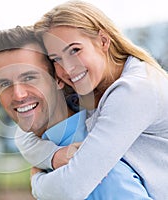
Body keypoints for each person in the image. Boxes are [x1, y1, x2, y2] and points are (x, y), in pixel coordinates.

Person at [15, 1, 168, 199]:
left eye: (75, 50)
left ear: (103, 40)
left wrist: (37, 183)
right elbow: (23, 134)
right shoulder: (86, 85)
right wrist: (54, 157)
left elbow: (72, 187)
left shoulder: (135, 90)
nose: (68, 68)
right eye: (56, 59)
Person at [0, 26, 152, 199]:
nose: (18, 95)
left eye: (29, 78)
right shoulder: (45, 151)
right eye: (5, 84)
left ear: (58, 79)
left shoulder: (96, 164)